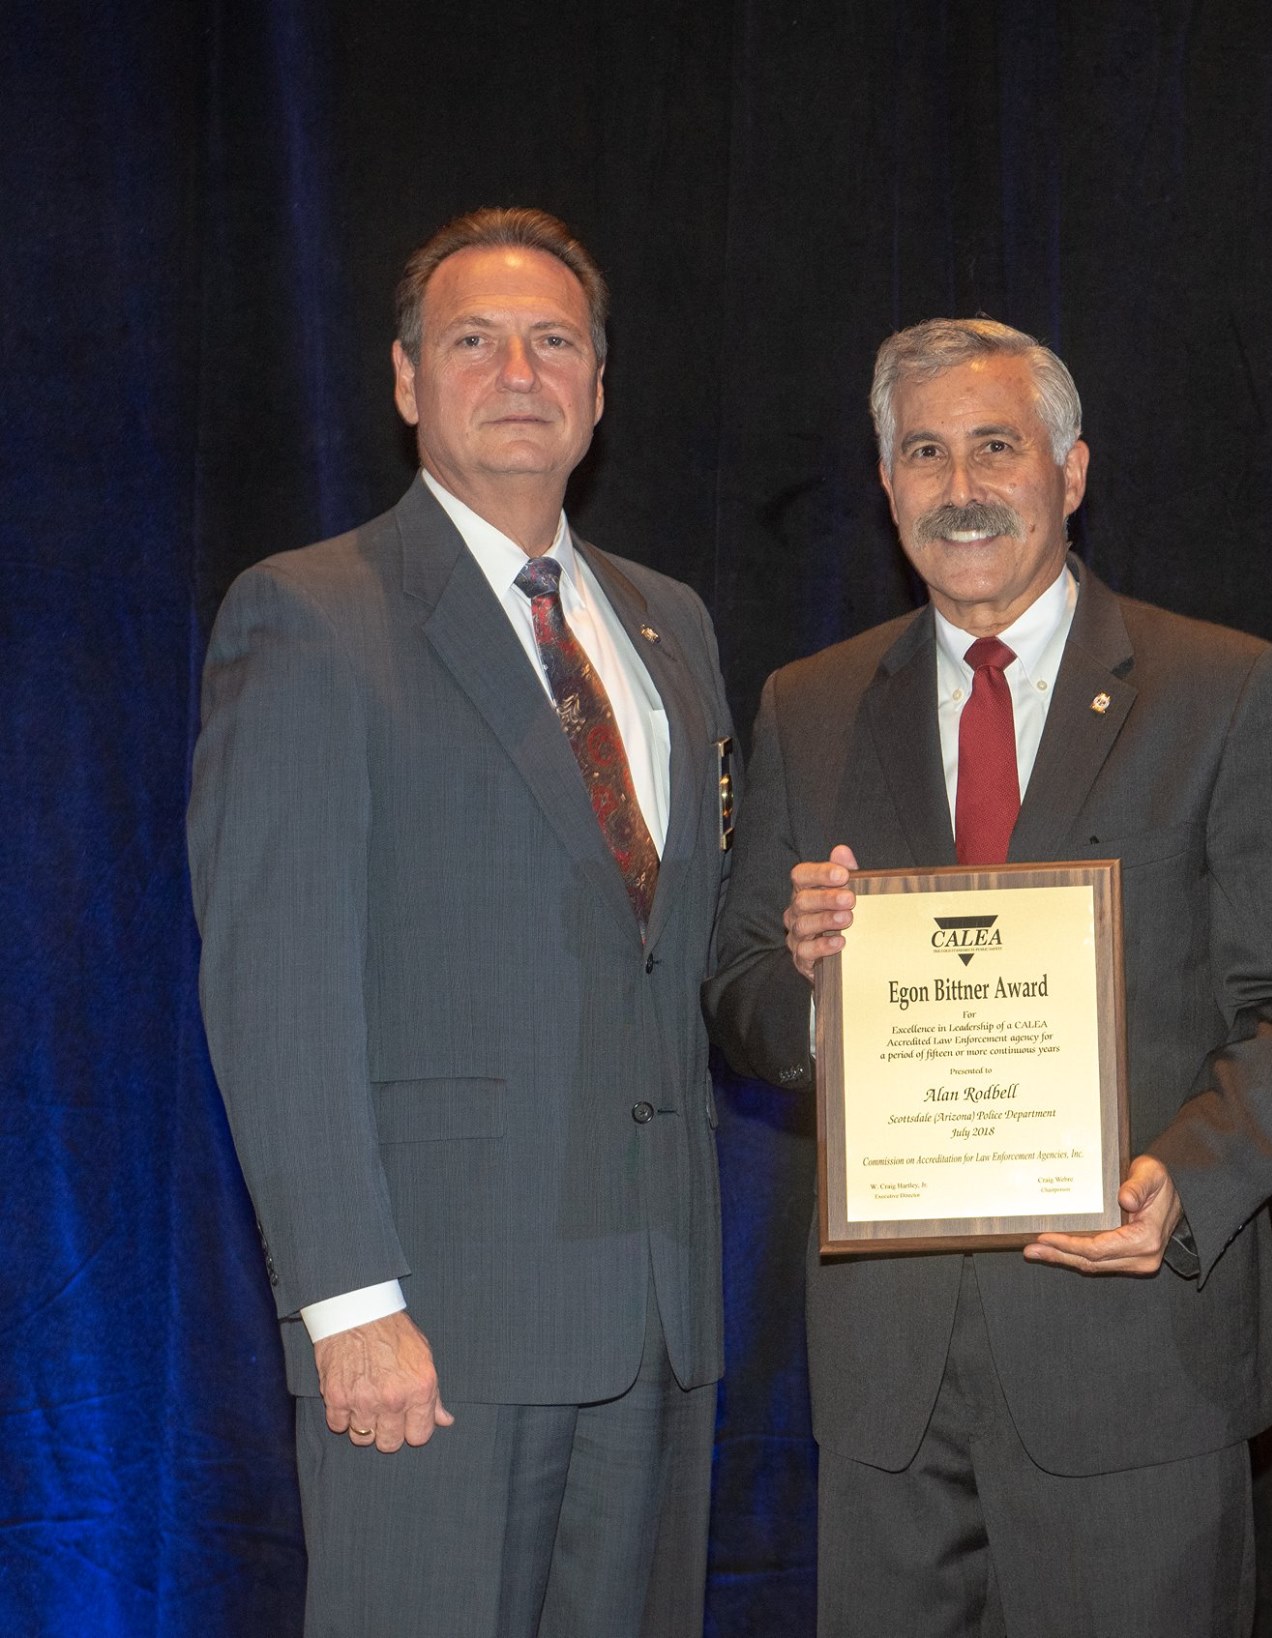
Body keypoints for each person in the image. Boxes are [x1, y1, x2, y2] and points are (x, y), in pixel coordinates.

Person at [704, 318, 1272, 1637]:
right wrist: (817, 988)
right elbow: (735, 991)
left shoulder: (1225, 690)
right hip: (889, 1381)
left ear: (1071, 469)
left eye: (996, 446)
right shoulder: (809, 705)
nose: (962, 485)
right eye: (926, 452)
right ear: (887, 488)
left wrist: (1188, 1180)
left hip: (1133, 1362)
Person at [188, 207, 734, 1636]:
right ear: (404, 381)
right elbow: (276, 986)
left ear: (599, 392)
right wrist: (346, 1299)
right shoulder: (308, 616)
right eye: (472, 340)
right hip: (431, 1328)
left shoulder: (671, 628)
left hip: (656, 1320)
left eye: (555, 341)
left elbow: (678, 954)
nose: (517, 369)